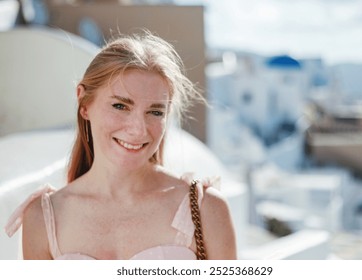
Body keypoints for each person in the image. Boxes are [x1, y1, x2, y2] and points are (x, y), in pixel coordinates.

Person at [5, 31, 236, 260]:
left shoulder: (207, 211)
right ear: (84, 103)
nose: (138, 129)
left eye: (155, 112)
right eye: (120, 106)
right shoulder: (43, 218)